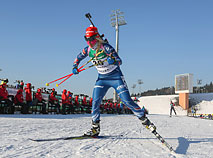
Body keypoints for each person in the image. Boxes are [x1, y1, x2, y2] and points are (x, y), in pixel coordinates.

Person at [72, 25, 155, 136]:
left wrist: (113, 61)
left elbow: (120, 61)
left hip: (115, 77)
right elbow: (78, 58)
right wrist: (74, 66)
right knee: (95, 102)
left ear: (96, 37)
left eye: (91, 39)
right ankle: (95, 128)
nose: (89, 42)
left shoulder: (106, 47)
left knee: (126, 101)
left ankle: (144, 119)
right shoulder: (87, 50)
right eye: (87, 39)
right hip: (102, 79)